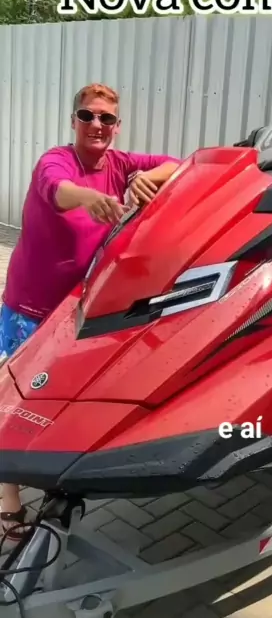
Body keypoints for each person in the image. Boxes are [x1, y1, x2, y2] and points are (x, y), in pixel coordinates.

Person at [0, 82, 180, 539]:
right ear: (73, 121)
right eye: (87, 115)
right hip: (30, 306)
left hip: (77, 308)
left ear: (116, 126)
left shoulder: (119, 164)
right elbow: (56, 189)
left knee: (58, 394)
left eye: (106, 118)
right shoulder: (57, 160)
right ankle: (8, 500)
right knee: (14, 400)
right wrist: (89, 198)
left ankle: (50, 471)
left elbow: (179, 165)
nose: (96, 124)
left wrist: (146, 180)